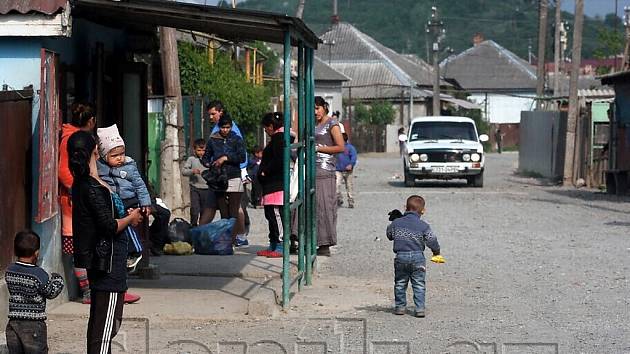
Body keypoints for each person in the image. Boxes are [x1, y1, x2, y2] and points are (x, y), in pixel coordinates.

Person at [68, 131, 143, 353]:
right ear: (95, 151)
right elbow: (109, 226)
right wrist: (130, 218)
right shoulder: (91, 186)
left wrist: (127, 217)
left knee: (102, 323)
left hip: (107, 260)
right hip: (107, 263)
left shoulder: (90, 182)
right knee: (106, 326)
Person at [96, 124, 149, 272]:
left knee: (127, 223)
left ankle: (136, 250)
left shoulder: (129, 166)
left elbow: (140, 185)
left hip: (129, 200)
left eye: (122, 154)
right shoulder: (99, 167)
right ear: (103, 155)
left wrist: (145, 203)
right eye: (114, 155)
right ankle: (127, 252)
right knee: (118, 227)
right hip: (113, 202)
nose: (119, 158)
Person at [58, 102, 96, 304]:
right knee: (78, 247)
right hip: (73, 203)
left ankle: (90, 288)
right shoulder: (72, 140)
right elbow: (63, 170)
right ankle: (87, 290)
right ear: (91, 121)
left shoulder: (71, 137)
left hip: (77, 199)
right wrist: (81, 191)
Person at [5, 230, 64, 354]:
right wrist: (58, 279)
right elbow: (51, 292)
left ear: (15, 251)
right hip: (33, 325)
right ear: (36, 252)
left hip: (13, 323)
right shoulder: (38, 274)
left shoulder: (10, 270)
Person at [200, 101, 250, 247]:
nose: (210, 117)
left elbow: (242, 156)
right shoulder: (214, 136)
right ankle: (222, 237)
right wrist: (209, 164)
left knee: (234, 209)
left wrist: (227, 159)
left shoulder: (235, 136)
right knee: (223, 210)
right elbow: (207, 155)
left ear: (220, 112)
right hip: (218, 178)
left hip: (234, 175)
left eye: (213, 114)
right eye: (209, 114)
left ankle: (236, 236)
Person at [386, 195, 441, 318]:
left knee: (400, 283)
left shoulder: (397, 223)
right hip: (418, 258)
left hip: (401, 257)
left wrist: (394, 222)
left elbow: (389, 235)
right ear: (423, 211)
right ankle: (419, 309)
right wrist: (436, 252)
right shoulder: (423, 225)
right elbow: (432, 240)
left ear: (405, 207)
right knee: (419, 284)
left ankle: (400, 307)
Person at [255, 112, 294, 258]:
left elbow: (279, 159)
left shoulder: (279, 139)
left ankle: (280, 245)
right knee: (270, 214)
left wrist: (266, 171)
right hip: (271, 185)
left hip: (276, 184)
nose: (265, 130)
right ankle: (273, 243)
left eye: (266, 128)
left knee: (276, 214)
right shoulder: (278, 138)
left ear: (271, 126)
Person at [314, 96, 345, 256]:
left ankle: (325, 243)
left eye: (317, 108)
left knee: (325, 206)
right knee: (313, 206)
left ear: (324, 107)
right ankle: (312, 240)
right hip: (311, 168)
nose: (315, 112)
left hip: (326, 170)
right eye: (312, 108)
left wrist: (320, 149)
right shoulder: (312, 123)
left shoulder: (332, 124)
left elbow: (341, 147)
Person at [182, 138, 209, 227]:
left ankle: (202, 227)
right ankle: (193, 225)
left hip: (207, 188)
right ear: (194, 150)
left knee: (205, 210)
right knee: (194, 209)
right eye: (199, 150)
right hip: (195, 188)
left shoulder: (209, 159)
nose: (201, 152)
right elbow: (184, 171)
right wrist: (192, 171)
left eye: (203, 150)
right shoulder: (191, 159)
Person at [335, 132, 358, 208]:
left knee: (349, 186)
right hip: (338, 170)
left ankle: (350, 201)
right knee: (337, 184)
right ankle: (339, 198)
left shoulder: (350, 148)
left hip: (348, 171)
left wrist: (351, 164)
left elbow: (354, 157)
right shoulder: (336, 147)